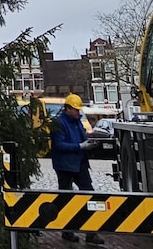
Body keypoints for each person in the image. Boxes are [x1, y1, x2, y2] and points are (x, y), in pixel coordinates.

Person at [50, 94, 105, 245]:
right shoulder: (59, 123)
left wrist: (89, 143)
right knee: (66, 199)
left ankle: (91, 233)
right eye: (75, 109)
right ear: (67, 109)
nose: (78, 112)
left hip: (79, 164)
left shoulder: (77, 122)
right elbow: (59, 145)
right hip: (65, 166)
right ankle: (67, 231)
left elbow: (81, 138)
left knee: (90, 196)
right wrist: (80, 146)